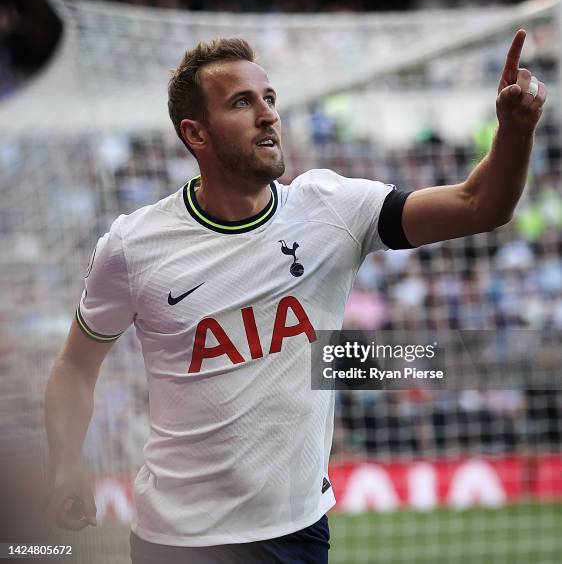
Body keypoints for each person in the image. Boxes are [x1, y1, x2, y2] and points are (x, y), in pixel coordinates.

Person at [44, 32, 546, 563]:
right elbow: (76, 366)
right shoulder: (132, 245)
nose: (267, 115)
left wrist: (515, 131)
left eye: (269, 99)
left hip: (297, 532)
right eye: (242, 102)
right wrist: (67, 463)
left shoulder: (331, 208)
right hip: (177, 541)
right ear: (196, 134)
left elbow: (479, 204)